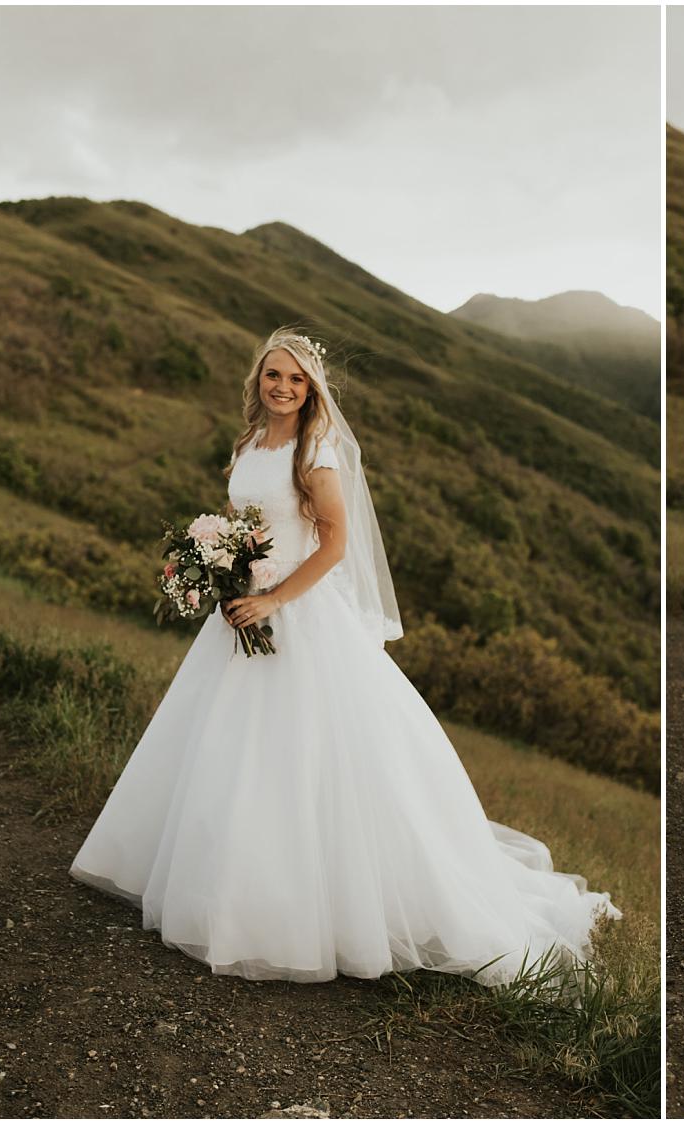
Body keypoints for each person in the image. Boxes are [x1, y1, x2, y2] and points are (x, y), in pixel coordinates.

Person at [70, 326, 620, 984]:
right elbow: (241, 520)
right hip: (242, 611)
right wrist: (219, 570)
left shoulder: (316, 450)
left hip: (298, 615)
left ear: (311, 390)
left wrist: (274, 601)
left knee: (305, 760)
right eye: (274, 375)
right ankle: (216, 882)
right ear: (259, 379)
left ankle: (301, 910)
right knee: (224, 752)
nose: (282, 387)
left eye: (296, 380)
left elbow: (332, 545)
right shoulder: (249, 441)